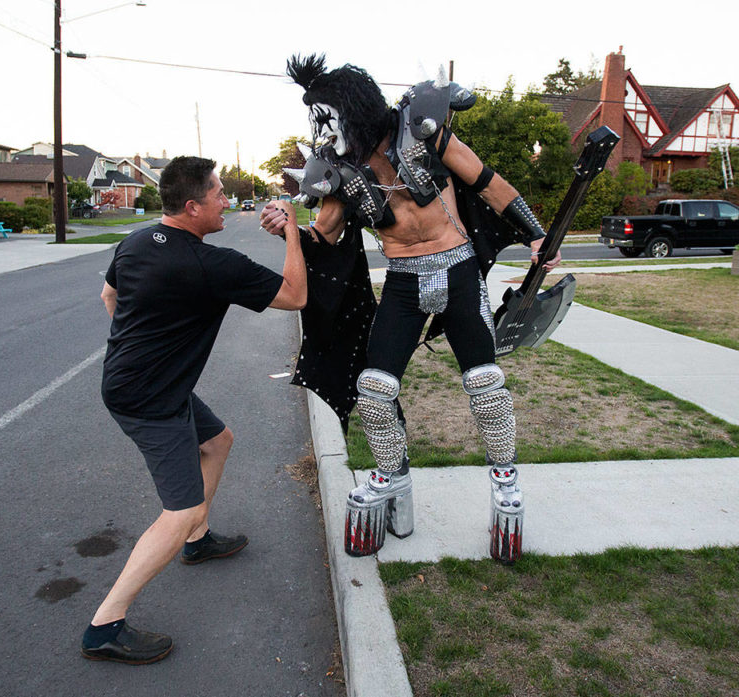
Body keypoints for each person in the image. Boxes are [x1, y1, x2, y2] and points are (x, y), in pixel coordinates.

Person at [261, 55, 560, 564]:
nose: (322, 128)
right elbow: (325, 236)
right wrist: (288, 224)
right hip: (402, 281)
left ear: (351, 108)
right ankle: (391, 474)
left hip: (460, 270)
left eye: (327, 114)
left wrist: (538, 235)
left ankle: (506, 479)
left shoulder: (420, 130)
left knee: (485, 384)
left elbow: (487, 181)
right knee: (375, 389)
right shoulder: (340, 171)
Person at [83, 156, 306, 664]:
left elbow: (109, 295)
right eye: (219, 193)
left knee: (218, 440)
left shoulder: (137, 241)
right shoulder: (213, 265)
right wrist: (292, 231)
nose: (226, 200)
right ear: (192, 206)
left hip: (138, 383)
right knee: (177, 510)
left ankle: (198, 540)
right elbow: (295, 295)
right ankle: (104, 626)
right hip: (149, 399)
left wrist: (140, 347)